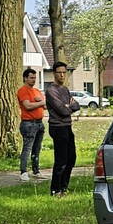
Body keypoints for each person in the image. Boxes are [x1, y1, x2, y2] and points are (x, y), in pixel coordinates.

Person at [45, 61, 81, 197]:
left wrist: (68, 106)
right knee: (61, 160)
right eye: (59, 72)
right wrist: (67, 107)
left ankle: (64, 187)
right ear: (54, 73)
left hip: (67, 126)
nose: (62, 75)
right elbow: (62, 110)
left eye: (64, 73)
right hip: (57, 127)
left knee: (71, 158)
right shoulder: (51, 91)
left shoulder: (65, 90)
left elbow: (76, 105)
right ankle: (55, 189)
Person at [17, 68, 45, 182]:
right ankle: (23, 172)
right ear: (25, 78)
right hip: (28, 123)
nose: (33, 80)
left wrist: (41, 102)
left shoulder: (37, 91)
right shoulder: (23, 91)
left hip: (39, 123)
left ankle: (36, 170)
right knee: (27, 148)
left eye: (35, 78)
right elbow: (27, 106)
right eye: (31, 78)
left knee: (37, 148)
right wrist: (41, 102)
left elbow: (45, 105)